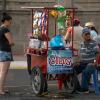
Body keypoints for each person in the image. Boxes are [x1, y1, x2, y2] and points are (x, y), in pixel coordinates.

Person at [74, 28, 100, 93]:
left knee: (86, 71)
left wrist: (94, 62)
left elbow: (97, 53)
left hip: (91, 64)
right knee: (73, 70)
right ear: (82, 35)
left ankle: (85, 89)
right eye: (86, 34)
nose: (88, 35)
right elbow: (81, 55)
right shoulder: (82, 43)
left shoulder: (93, 43)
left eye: (89, 34)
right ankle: (77, 87)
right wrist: (78, 62)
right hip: (83, 63)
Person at [0, 12, 14, 95]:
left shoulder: (0, 28)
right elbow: (11, 42)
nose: (10, 23)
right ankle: (0, 90)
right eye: (10, 22)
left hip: (1, 51)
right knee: (3, 72)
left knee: (1, 72)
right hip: (5, 52)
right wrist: (12, 42)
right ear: (6, 21)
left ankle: (1, 88)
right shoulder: (5, 29)